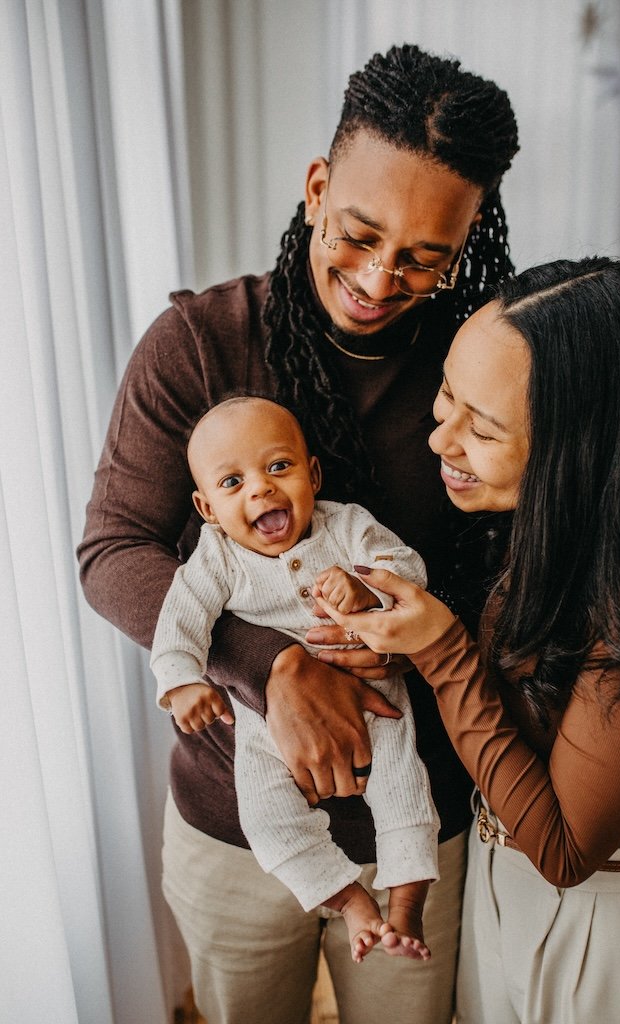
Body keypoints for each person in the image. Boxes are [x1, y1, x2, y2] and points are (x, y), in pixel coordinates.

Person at [78, 43, 519, 1024]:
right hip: (235, 826)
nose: (376, 277)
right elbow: (113, 550)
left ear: (465, 240)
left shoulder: (476, 360)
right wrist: (268, 663)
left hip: (416, 816)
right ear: (317, 185)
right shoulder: (199, 343)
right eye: (359, 233)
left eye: (422, 257)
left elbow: (516, 558)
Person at [313, 257, 620, 1024]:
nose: (439, 437)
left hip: (606, 922)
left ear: (583, 448)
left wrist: (444, 653)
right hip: (499, 868)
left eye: (479, 427)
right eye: (447, 395)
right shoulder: (559, 518)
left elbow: (563, 851)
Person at [151, 395, 438, 964]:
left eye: (277, 467)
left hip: (377, 699)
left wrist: (367, 590)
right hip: (262, 722)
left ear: (313, 474)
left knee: (405, 792)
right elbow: (179, 620)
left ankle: (405, 907)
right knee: (265, 817)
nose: (259, 489)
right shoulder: (218, 558)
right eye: (232, 482)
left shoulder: (348, 526)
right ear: (206, 507)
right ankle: (352, 900)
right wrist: (183, 680)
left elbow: (408, 569)